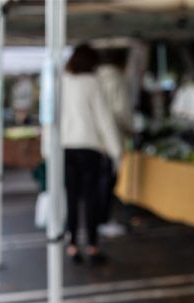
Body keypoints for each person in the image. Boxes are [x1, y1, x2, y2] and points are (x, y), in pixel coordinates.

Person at [61, 44, 122, 264]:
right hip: (90, 148)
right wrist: (116, 150)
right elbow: (103, 118)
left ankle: (72, 244)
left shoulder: (63, 82)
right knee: (91, 199)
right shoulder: (93, 83)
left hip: (66, 147)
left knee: (71, 198)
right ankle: (93, 245)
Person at [96, 48, 132, 238]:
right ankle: (103, 219)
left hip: (93, 140)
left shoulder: (95, 78)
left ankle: (98, 219)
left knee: (97, 183)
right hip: (111, 139)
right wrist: (130, 130)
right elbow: (122, 112)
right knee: (107, 181)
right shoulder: (118, 80)